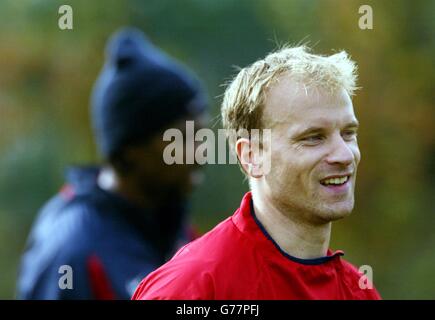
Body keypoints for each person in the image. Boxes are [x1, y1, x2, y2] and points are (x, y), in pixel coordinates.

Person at [132, 46, 382, 300]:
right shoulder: (192, 289)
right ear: (251, 155)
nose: (344, 155)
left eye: (348, 133)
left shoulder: (360, 292)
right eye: (313, 138)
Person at [16, 27, 208, 299]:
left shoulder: (174, 227)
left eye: (201, 135)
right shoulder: (74, 250)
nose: (200, 153)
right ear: (129, 151)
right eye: (183, 138)